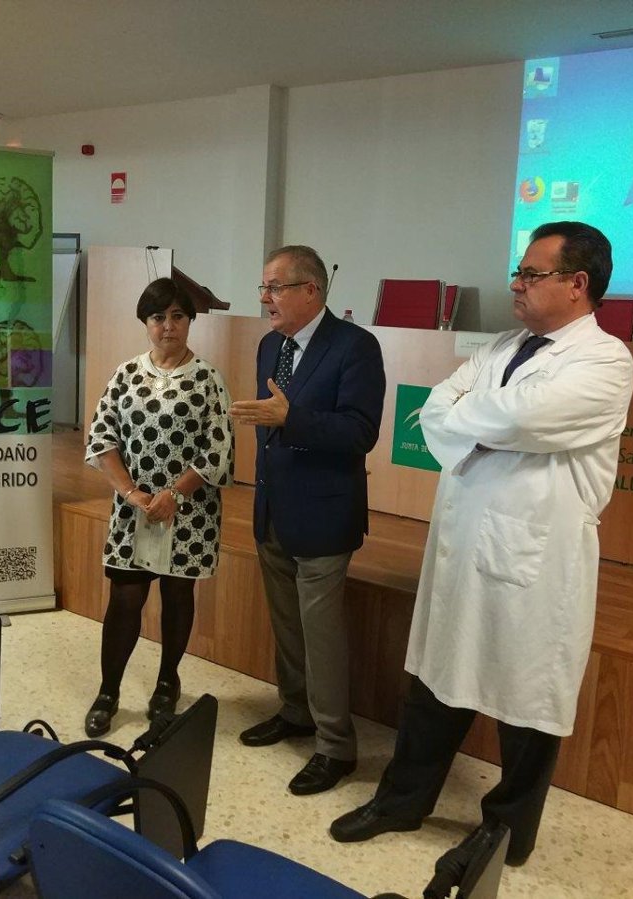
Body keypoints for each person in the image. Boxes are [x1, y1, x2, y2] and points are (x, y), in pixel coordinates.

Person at [329, 222, 633, 865]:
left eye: (531, 274)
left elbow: (520, 417)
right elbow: (435, 409)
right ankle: (402, 802)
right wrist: (483, 419)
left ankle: (505, 833)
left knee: (527, 700)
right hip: (466, 543)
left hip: (535, 560)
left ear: (577, 284)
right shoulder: (503, 346)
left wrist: (478, 415)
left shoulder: (605, 361)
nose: (516, 284)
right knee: (437, 680)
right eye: (518, 272)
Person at [229, 245, 385, 796]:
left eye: (275, 287)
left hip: (323, 513)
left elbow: (360, 432)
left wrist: (291, 418)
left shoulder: (355, 347)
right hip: (273, 509)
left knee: (321, 636)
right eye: (263, 287)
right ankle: (295, 712)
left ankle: (336, 746)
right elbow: (268, 423)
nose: (265, 298)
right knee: (287, 627)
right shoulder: (270, 345)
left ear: (311, 290)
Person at [83, 277, 234, 737]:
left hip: (189, 511)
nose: (168, 325)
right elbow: (101, 438)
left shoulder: (208, 379)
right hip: (133, 510)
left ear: (189, 321)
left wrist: (175, 494)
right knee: (125, 599)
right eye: (157, 317)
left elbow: (218, 449)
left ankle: (167, 683)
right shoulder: (126, 374)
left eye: (177, 316)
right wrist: (134, 494)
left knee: (177, 596)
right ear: (145, 323)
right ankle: (108, 691)